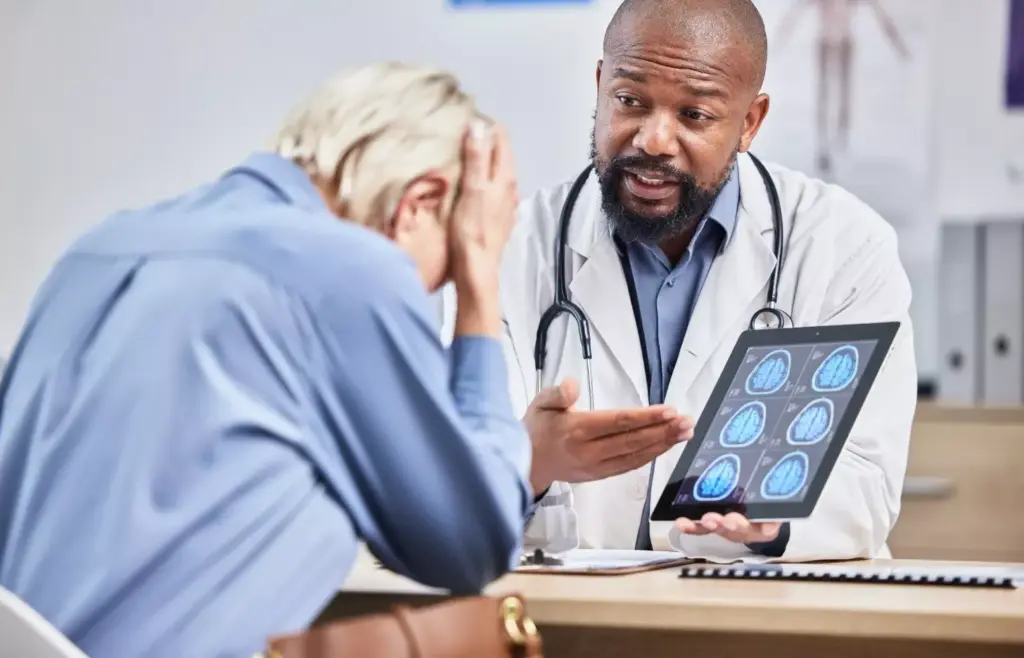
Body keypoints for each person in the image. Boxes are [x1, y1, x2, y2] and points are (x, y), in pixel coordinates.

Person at [2, 62, 538, 658]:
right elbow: (473, 541)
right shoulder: (345, 271)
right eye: (444, 273)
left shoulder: (98, 248)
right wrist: (480, 286)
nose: (433, 291)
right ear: (420, 203)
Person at [494, 0, 917, 560]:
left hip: (766, 622)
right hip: (575, 624)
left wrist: (776, 520)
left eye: (694, 115)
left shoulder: (845, 248)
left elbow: (869, 481)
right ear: (600, 86)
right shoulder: (509, 248)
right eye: (629, 101)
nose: (654, 140)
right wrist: (529, 461)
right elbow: (438, 489)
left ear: (749, 123)